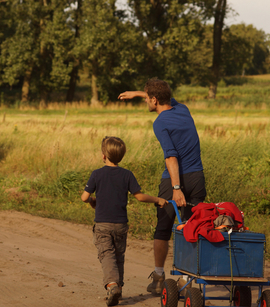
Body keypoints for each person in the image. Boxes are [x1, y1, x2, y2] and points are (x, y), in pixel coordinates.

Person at [118, 79, 206, 295]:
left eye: (147, 98)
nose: (146, 101)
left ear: (154, 100)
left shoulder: (160, 122)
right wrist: (138, 93)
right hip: (197, 177)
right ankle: (187, 282)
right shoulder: (182, 109)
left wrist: (176, 188)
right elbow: (163, 97)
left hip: (174, 179)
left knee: (163, 228)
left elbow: (171, 156)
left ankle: (159, 277)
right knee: (191, 227)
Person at [81, 136, 168, 306]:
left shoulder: (97, 174)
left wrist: (92, 201)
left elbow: (84, 197)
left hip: (103, 225)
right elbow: (140, 197)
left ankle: (112, 285)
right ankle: (118, 288)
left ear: (103, 156)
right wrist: (158, 199)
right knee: (119, 256)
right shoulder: (127, 175)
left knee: (107, 255)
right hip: (121, 225)